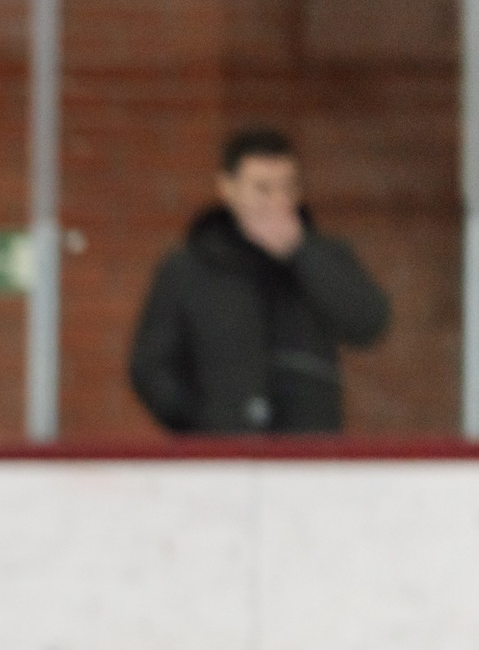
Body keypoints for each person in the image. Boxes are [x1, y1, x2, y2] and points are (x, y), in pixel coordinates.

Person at [129, 127, 390, 434]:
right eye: (263, 188)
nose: (278, 201)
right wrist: (203, 426)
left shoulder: (324, 256)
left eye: (288, 187)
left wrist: (301, 253)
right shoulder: (189, 268)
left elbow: (368, 322)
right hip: (220, 451)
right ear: (228, 188)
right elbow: (151, 367)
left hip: (308, 449)